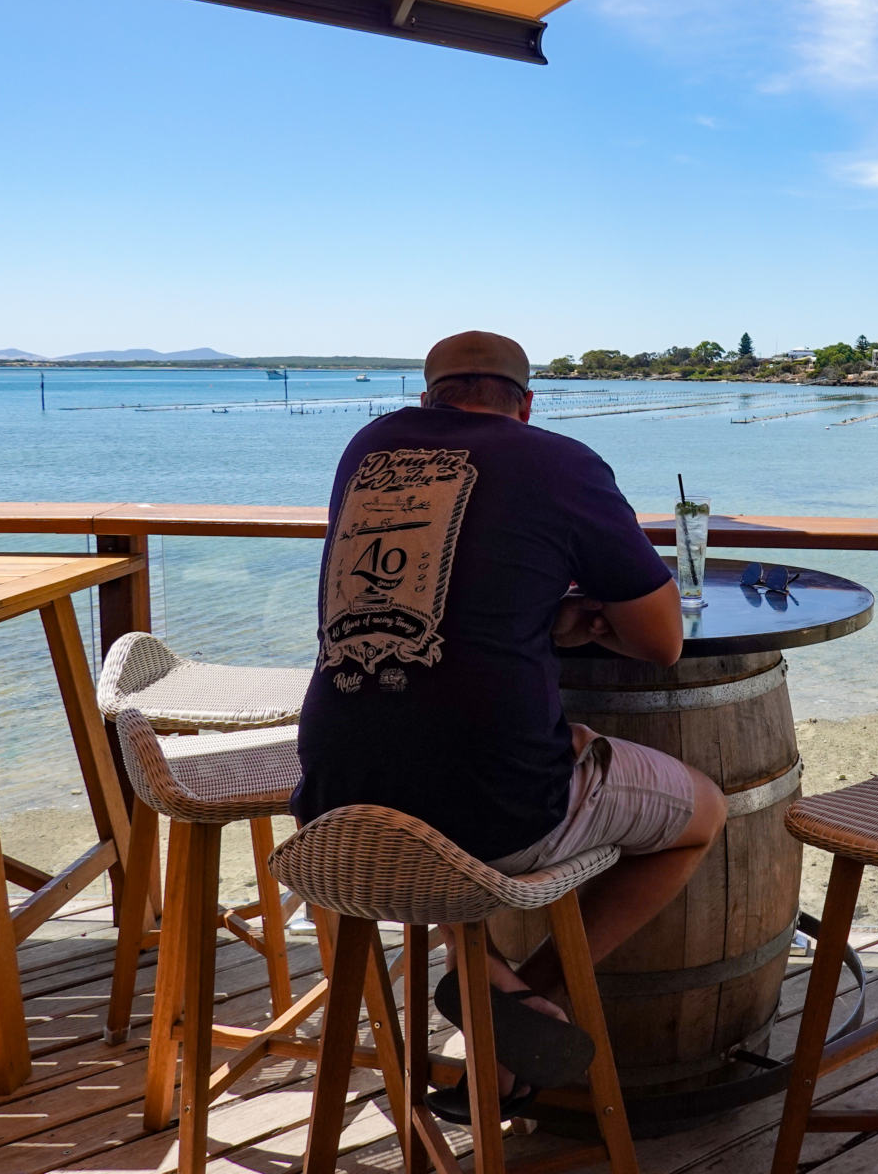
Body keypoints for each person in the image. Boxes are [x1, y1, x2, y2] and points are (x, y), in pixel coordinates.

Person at [292, 330, 726, 1116]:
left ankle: (485, 970)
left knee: (434, 826)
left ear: (427, 398)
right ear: (526, 404)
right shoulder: (560, 460)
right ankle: (533, 999)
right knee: (705, 813)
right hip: (496, 812)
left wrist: (539, 614)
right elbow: (661, 643)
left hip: (335, 799)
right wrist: (580, 616)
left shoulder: (367, 447)